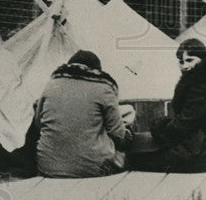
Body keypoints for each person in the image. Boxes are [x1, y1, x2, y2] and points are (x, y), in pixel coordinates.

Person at [130, 38, 206, 173]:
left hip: (202, 153)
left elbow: (183, 125)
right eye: (181, 62)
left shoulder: (201, 87)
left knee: (135, 161)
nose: (185, 66)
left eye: (190, 60)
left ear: (204, 59)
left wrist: (158, 126)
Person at [33, 49, 133, 178]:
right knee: (124, 149)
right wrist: (129, 136)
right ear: (97, 70)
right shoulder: (103, 88)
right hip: (92, 169)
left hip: (48, 167)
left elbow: (38, 125)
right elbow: (119, 136)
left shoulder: (51, 85)